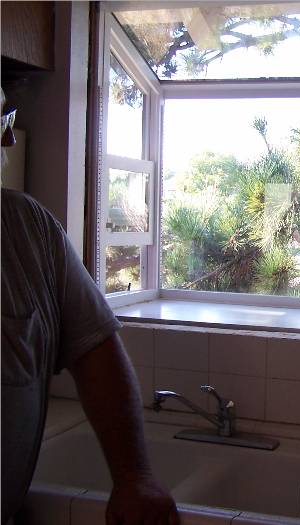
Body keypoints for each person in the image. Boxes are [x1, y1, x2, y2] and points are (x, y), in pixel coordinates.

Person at [1, 94, 180, 524]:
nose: (8, 137)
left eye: (6, 118)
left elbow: (95, 349)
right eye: (2, 118)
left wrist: (133, 476)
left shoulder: (27, 228)